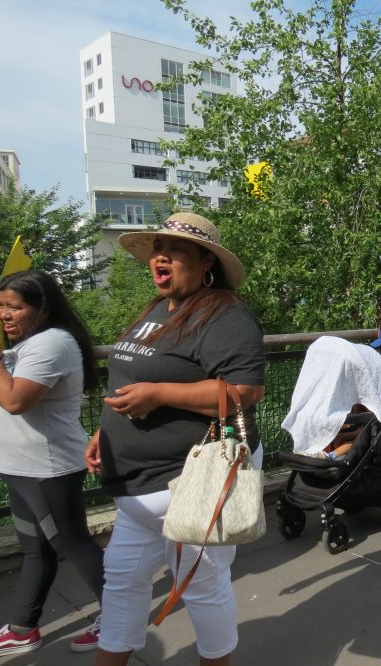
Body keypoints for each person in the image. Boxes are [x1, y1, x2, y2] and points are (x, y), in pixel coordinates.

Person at [84, 213, 265, 666]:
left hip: (188, 482)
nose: (160, 257)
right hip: (137, 488)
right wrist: (106, 430)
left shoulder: (225, 313)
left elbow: (245, 391)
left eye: (175, 249)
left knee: (202, 587)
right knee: (122, 582)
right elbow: (132, 373)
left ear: (206, 260)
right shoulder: (156, 309)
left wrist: (159, 395)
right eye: (157, 249)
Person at [0, 270, 105, 659]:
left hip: (46, 469)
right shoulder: (29, 342)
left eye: (15, 307)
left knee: (73, 543)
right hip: (19, 468)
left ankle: (118, 616)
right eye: (0, 305)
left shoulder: (53, 343)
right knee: (35, 549)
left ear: (42, 307)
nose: (4, 315)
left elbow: (15, 400)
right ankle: (21, 628)